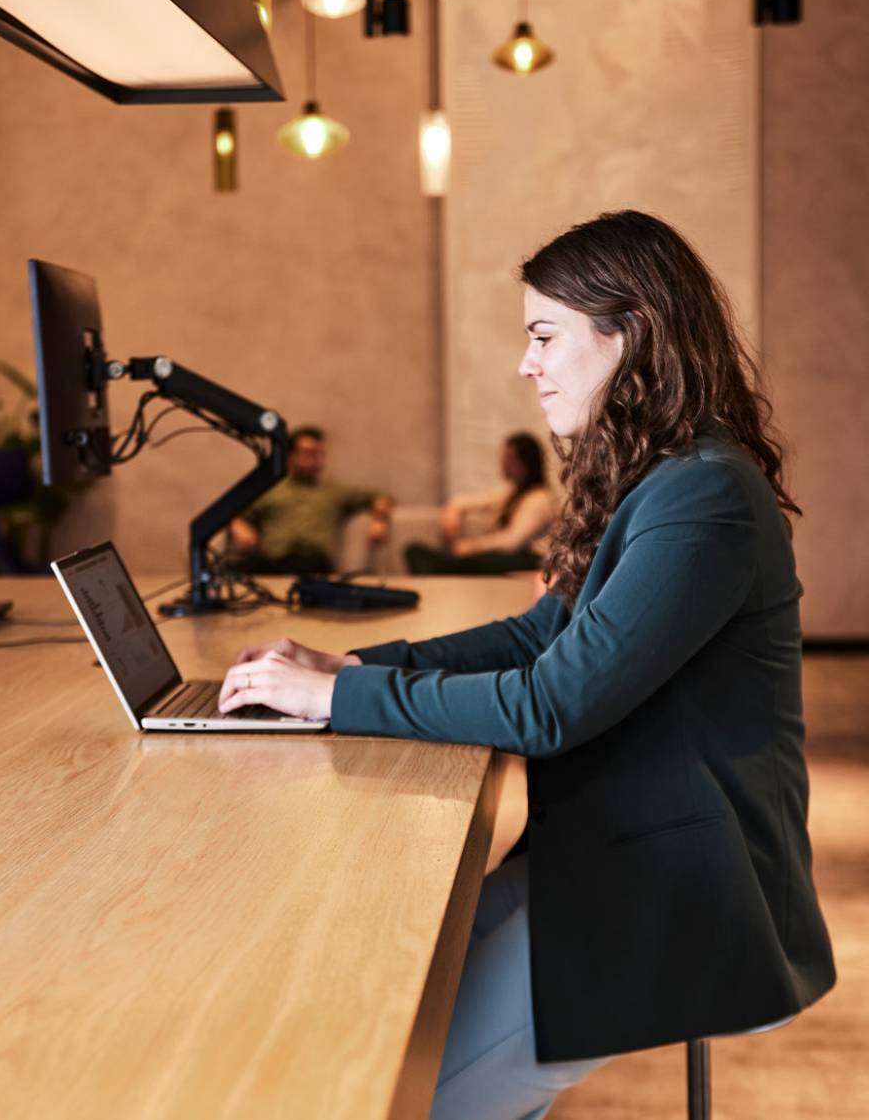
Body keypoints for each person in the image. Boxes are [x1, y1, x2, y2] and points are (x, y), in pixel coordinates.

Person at [217, 210, 836, 1119]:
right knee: (396, 1009)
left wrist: (337, 697)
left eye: (544, 336)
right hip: (609, 847)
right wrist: (348, 662)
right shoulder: (661, 478)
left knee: (404, 1098)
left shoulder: (705, 494)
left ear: (629, 332)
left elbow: (552, 705)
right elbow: (538, 636)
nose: (527, 363)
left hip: (673, 887)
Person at [228, 425, 393, 575]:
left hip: (313, 562)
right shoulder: (270, 490)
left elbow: (380, 498)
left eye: (319, 454)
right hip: (271, 560)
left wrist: (380, 519)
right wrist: (239, 526)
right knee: (230, 570)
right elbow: (237, 513)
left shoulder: (334, 491)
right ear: (291, 455)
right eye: (308, 453)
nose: (315, 459)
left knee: (305, 567)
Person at [405, 432, 556, 575]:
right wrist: (453, 509)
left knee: (490, 559)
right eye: (503, 457)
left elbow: (511, 542)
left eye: (510, 458)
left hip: (526, 561)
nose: (503, 463)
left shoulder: (539, 499)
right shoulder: (513, 493)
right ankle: (441, 566)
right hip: (506, 557)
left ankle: (440, 567)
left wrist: (470, 547)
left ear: (526, 462)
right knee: (413, 550)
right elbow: (474, 501)